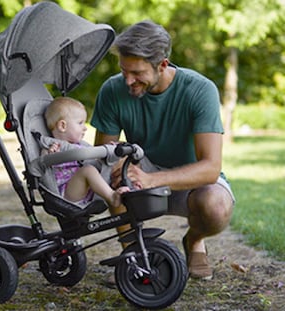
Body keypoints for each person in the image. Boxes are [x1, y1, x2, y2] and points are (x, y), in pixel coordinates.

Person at [90, 20, 235, 280]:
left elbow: (211, 167)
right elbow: (102, 153)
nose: (128, 80)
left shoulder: (200, 90)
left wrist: (150, 179)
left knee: (216, 207)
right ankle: (134, 259)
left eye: (137, 73)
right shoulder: (112, 90)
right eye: (124, 71)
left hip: (190, 180)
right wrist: (117, 164)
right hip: (140, 170)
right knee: (110, 174)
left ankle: (194, 241)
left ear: (163, 65)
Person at [43, 96, 129, 208]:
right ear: (62, 126)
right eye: (80, 123)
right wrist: (50, 154)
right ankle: (112, 197)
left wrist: (110, 149)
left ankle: (128, 190)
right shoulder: (52, 146)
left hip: (83, 188)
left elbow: (94, 157)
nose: (85, 128)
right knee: (88, 170)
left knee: (108, 166)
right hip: (67, 193)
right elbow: (43, 163)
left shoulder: (79, 145)